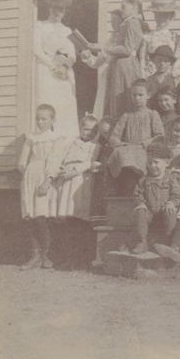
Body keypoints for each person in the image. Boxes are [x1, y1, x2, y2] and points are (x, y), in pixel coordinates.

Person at [17, 104, 64, 270]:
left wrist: (47, 180)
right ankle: (34, 255)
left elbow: (55, 159)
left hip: (45, 176)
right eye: (38, 118)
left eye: (44, 118)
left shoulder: (56, 138)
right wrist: (24, 169)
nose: (40, 122)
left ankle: (46, 255)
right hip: (30, 175)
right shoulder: (31, 138)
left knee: (41, 217)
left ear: (52, 120)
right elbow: (22, 160)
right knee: (29, 217)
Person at [54, 114, 101, 270]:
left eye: (92, 131)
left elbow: (90, 163)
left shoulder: (95, 146)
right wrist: (61, 170)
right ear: (81, 127)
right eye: (86, 129)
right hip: (66, 182)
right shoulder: (71, 143)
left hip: (81, 181)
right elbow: (61, 158)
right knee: (67, 219)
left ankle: (81, 259)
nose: (88, 133)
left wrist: (74, 171)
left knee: (80, 219)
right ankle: (66, 258)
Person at [33, 0, 79, 137]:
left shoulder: (67, 30)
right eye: (56, 8)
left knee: (64, 106)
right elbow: (36, 50)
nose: (58, 12)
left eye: (62, 9)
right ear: (50, 7)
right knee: (48, 103)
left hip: (63, 73)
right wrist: (53, 65)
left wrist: (65, 66)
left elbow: (72, 54)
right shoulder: (40, 26)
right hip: (47, 70)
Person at [108, 80, 165, 196]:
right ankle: (123, 192)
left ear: (148, 95)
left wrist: (146, 143)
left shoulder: (152, 114)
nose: (137, 98)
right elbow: (114, 136)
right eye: (134, 95)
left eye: (140, 95)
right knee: (120, 155)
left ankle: (136, 192)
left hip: (145, 149)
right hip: (128, 148)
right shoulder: (127, 115)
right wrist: (119, 143)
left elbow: (159, 135)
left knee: (136, 159)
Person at [130, 142, 180, 254]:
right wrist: (140, 203)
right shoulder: (144, 179)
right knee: (140, 212)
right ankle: (142, 242)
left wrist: (172, 203)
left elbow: (176, 194)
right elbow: (137, 193)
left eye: (156, 162)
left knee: (171, 212)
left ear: (166, 163)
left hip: (165, 212)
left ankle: (167, 240)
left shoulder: (171, 178)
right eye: (150, 162)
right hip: (150, 212)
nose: (152, 166)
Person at [105, 0, 148, 119]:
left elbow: (128, 49)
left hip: (125, 66)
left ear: (134, 7)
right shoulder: (127, 23)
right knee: (118, 99)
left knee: (122, 99)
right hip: (121, 66)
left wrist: (107, 49)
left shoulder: (132, 22)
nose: (121, 9)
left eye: (124, 7)